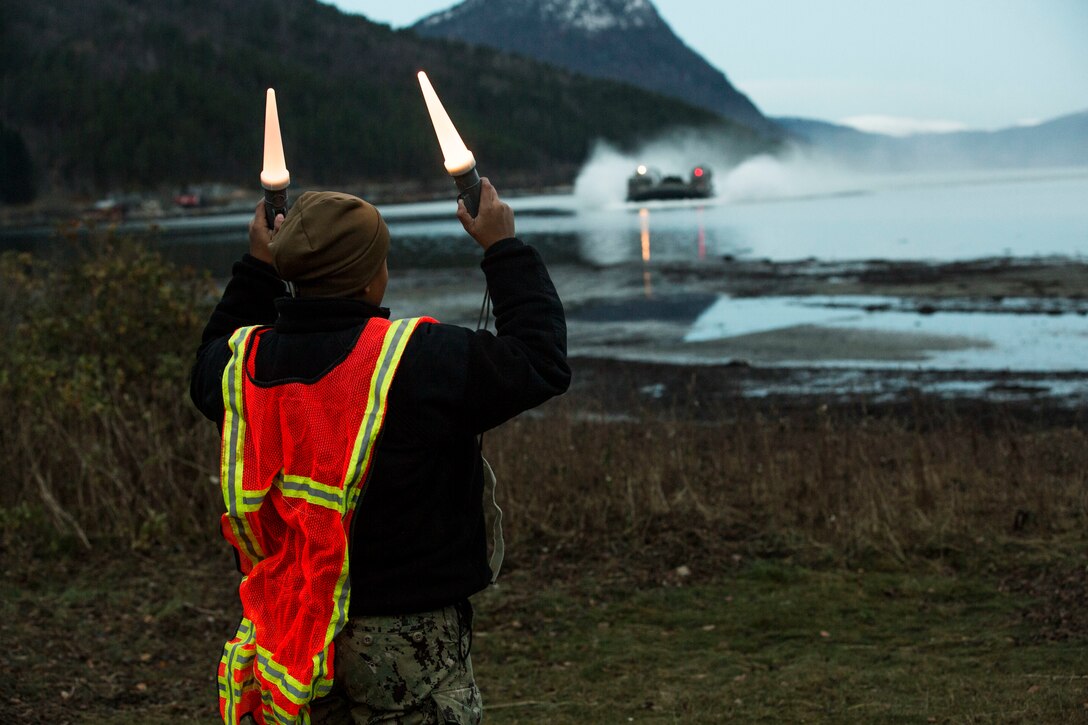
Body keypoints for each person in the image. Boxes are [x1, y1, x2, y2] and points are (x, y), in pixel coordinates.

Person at [190, 179, 570, 724]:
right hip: (405, 637)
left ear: (287, 270)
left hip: (297, 633)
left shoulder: (241, 368)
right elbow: (541, 360)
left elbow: (207, 359)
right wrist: (504, 248)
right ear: (372, 280)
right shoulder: (414, 360)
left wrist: (256, 267)